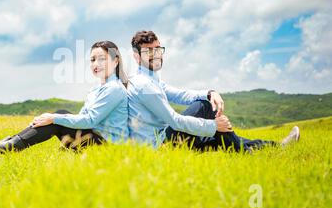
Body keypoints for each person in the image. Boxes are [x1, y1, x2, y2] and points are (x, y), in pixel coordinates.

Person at [127, 30, 300, 152]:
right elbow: (175, 121)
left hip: (166, 141)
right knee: (204, 106)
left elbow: (181, 95)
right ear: (136, 56)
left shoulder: (152, 79)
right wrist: (213, 124)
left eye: (157, 49)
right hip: (160, 146)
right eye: (148, 51)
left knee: (220, 137)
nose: (156, 54)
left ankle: (277, 148)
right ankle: (274, 148)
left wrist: (210, 92)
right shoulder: (144, 85)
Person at [0, 41, 129, 154]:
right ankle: (4, 146)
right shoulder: (96, 89)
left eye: (102, 59)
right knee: (57, 116)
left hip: (108, 149)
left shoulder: (114, 89)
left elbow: (90, 120)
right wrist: (54, 120)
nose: (96, 64)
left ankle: (7, 147)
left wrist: (53, 118)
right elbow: (81, 117)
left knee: (57, 115)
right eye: (93, 59)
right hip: (94, 141)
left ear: (115, 61)